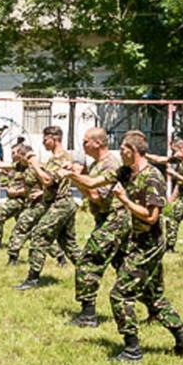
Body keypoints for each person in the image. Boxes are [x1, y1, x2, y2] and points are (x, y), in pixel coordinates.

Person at [108, 130, 183, 362]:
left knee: (120, 295)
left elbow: (151, 217)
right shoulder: (129, 173)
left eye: (123, 149)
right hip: (137, 240)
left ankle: (132, 350)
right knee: (153, 297)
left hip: (149, 244)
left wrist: (124, 200)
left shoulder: (152, 177)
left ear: (132, 151)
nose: (120, 153)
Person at [64, 127, 129, 327]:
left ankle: (88, 315)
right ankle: (154, 307)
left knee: (88, 262)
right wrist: (78, 174)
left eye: (85, 141)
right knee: (125, 266)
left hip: (114, 219)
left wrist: (72, 176)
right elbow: (90, 188)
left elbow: (96, 196)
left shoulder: (110, 164)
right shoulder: (96, 164)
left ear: (98, 143)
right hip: (106, 218)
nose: (83, 145)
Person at [17, 126, 81, 289]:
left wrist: (34, 163)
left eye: (45, 139)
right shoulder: (55, 158)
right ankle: (88, 272)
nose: (43, 142)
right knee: (68, 244)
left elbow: (47, 180)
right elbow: (52, 184)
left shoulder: (61, 158)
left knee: (39, 235)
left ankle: (32, 279)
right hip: (62, 203)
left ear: (55, 138)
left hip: (60, 204)